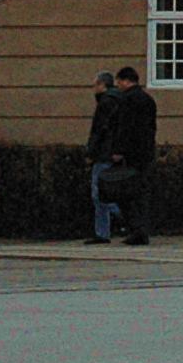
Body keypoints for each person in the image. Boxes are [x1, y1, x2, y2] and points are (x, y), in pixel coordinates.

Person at [107, 65, 159, 245]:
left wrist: (118, 150)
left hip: (131, 154)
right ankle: (142, 229)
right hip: (146, 152)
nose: (118, 86)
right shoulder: (148, 99)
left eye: (119, 82)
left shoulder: (126, 100)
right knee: (142, 193)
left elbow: (124, 128)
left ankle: (136, 230)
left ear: (125, 80)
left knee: (127, 194)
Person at [83, 69, 125, 244]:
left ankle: (106, 229)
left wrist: (90, 152)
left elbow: (99, 130)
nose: (93, 88)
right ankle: (107, 229)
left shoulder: (105, 103)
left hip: (103, 154)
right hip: (112, 152)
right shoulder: (119, 101)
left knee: (98, 193)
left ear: (102, 85)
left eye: (95, 84)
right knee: (105, 191)